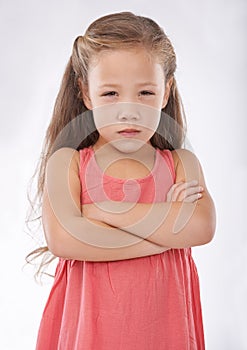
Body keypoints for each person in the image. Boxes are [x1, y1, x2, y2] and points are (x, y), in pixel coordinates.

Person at [26, 11, 216, 350]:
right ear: (86, 93)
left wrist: (105, 209)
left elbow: (201, 227)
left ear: (166, 91)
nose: (129, 110)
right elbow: (66, 240)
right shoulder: (68, 163)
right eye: (111, 94)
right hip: (93, 332)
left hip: (164, 329)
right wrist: (165, 233)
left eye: (145, 92)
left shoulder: (181, 163)